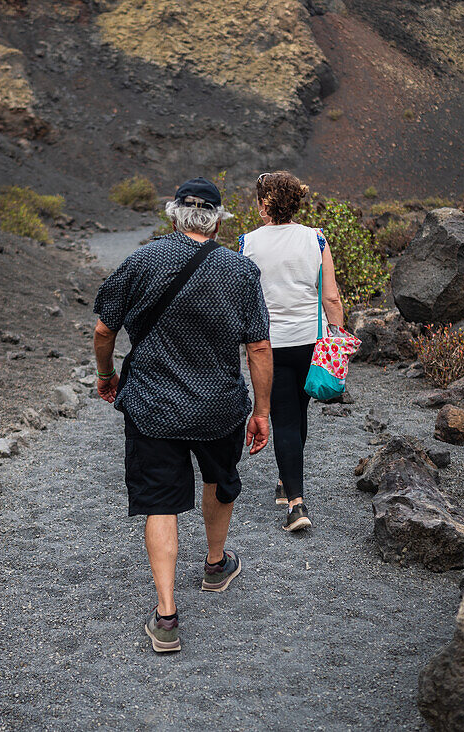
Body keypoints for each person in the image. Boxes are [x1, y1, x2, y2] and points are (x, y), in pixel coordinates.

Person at [92, 177, 273, 653]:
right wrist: (263, 410)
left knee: (160, 502)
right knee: (219, 477)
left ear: (173, 216)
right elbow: (257, 346)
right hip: (219, 406)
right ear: (216, 221)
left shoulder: (142, 261)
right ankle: (216, 565)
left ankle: (167, 614)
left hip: (153, 405)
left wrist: (107, 374)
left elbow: (103, 328)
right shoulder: (240, 271)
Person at [238, 171, 345, 532]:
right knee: (299, 413)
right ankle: (286, 481)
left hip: (269, 344)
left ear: (264, 203)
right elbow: (330, 295)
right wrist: (338, 336)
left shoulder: (247, 243)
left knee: (284, 417)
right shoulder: (316, 239)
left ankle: (295, 504)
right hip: (311, 342)